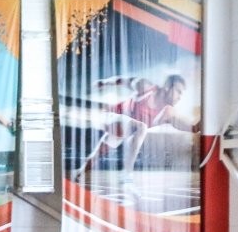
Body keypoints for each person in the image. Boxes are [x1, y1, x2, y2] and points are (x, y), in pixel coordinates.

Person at [70, 74, 199, 186]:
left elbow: (193, 128)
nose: (180, 97)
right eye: (178, 91)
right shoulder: (146, 87)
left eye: (182, 94)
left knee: (96, 155)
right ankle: (127, 173)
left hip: (122, 131)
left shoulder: (168, 114)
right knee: (142, 127)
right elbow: (122, 80)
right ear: (167, 87)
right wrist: (104, 82)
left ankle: (78, 172)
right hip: (110, 116)